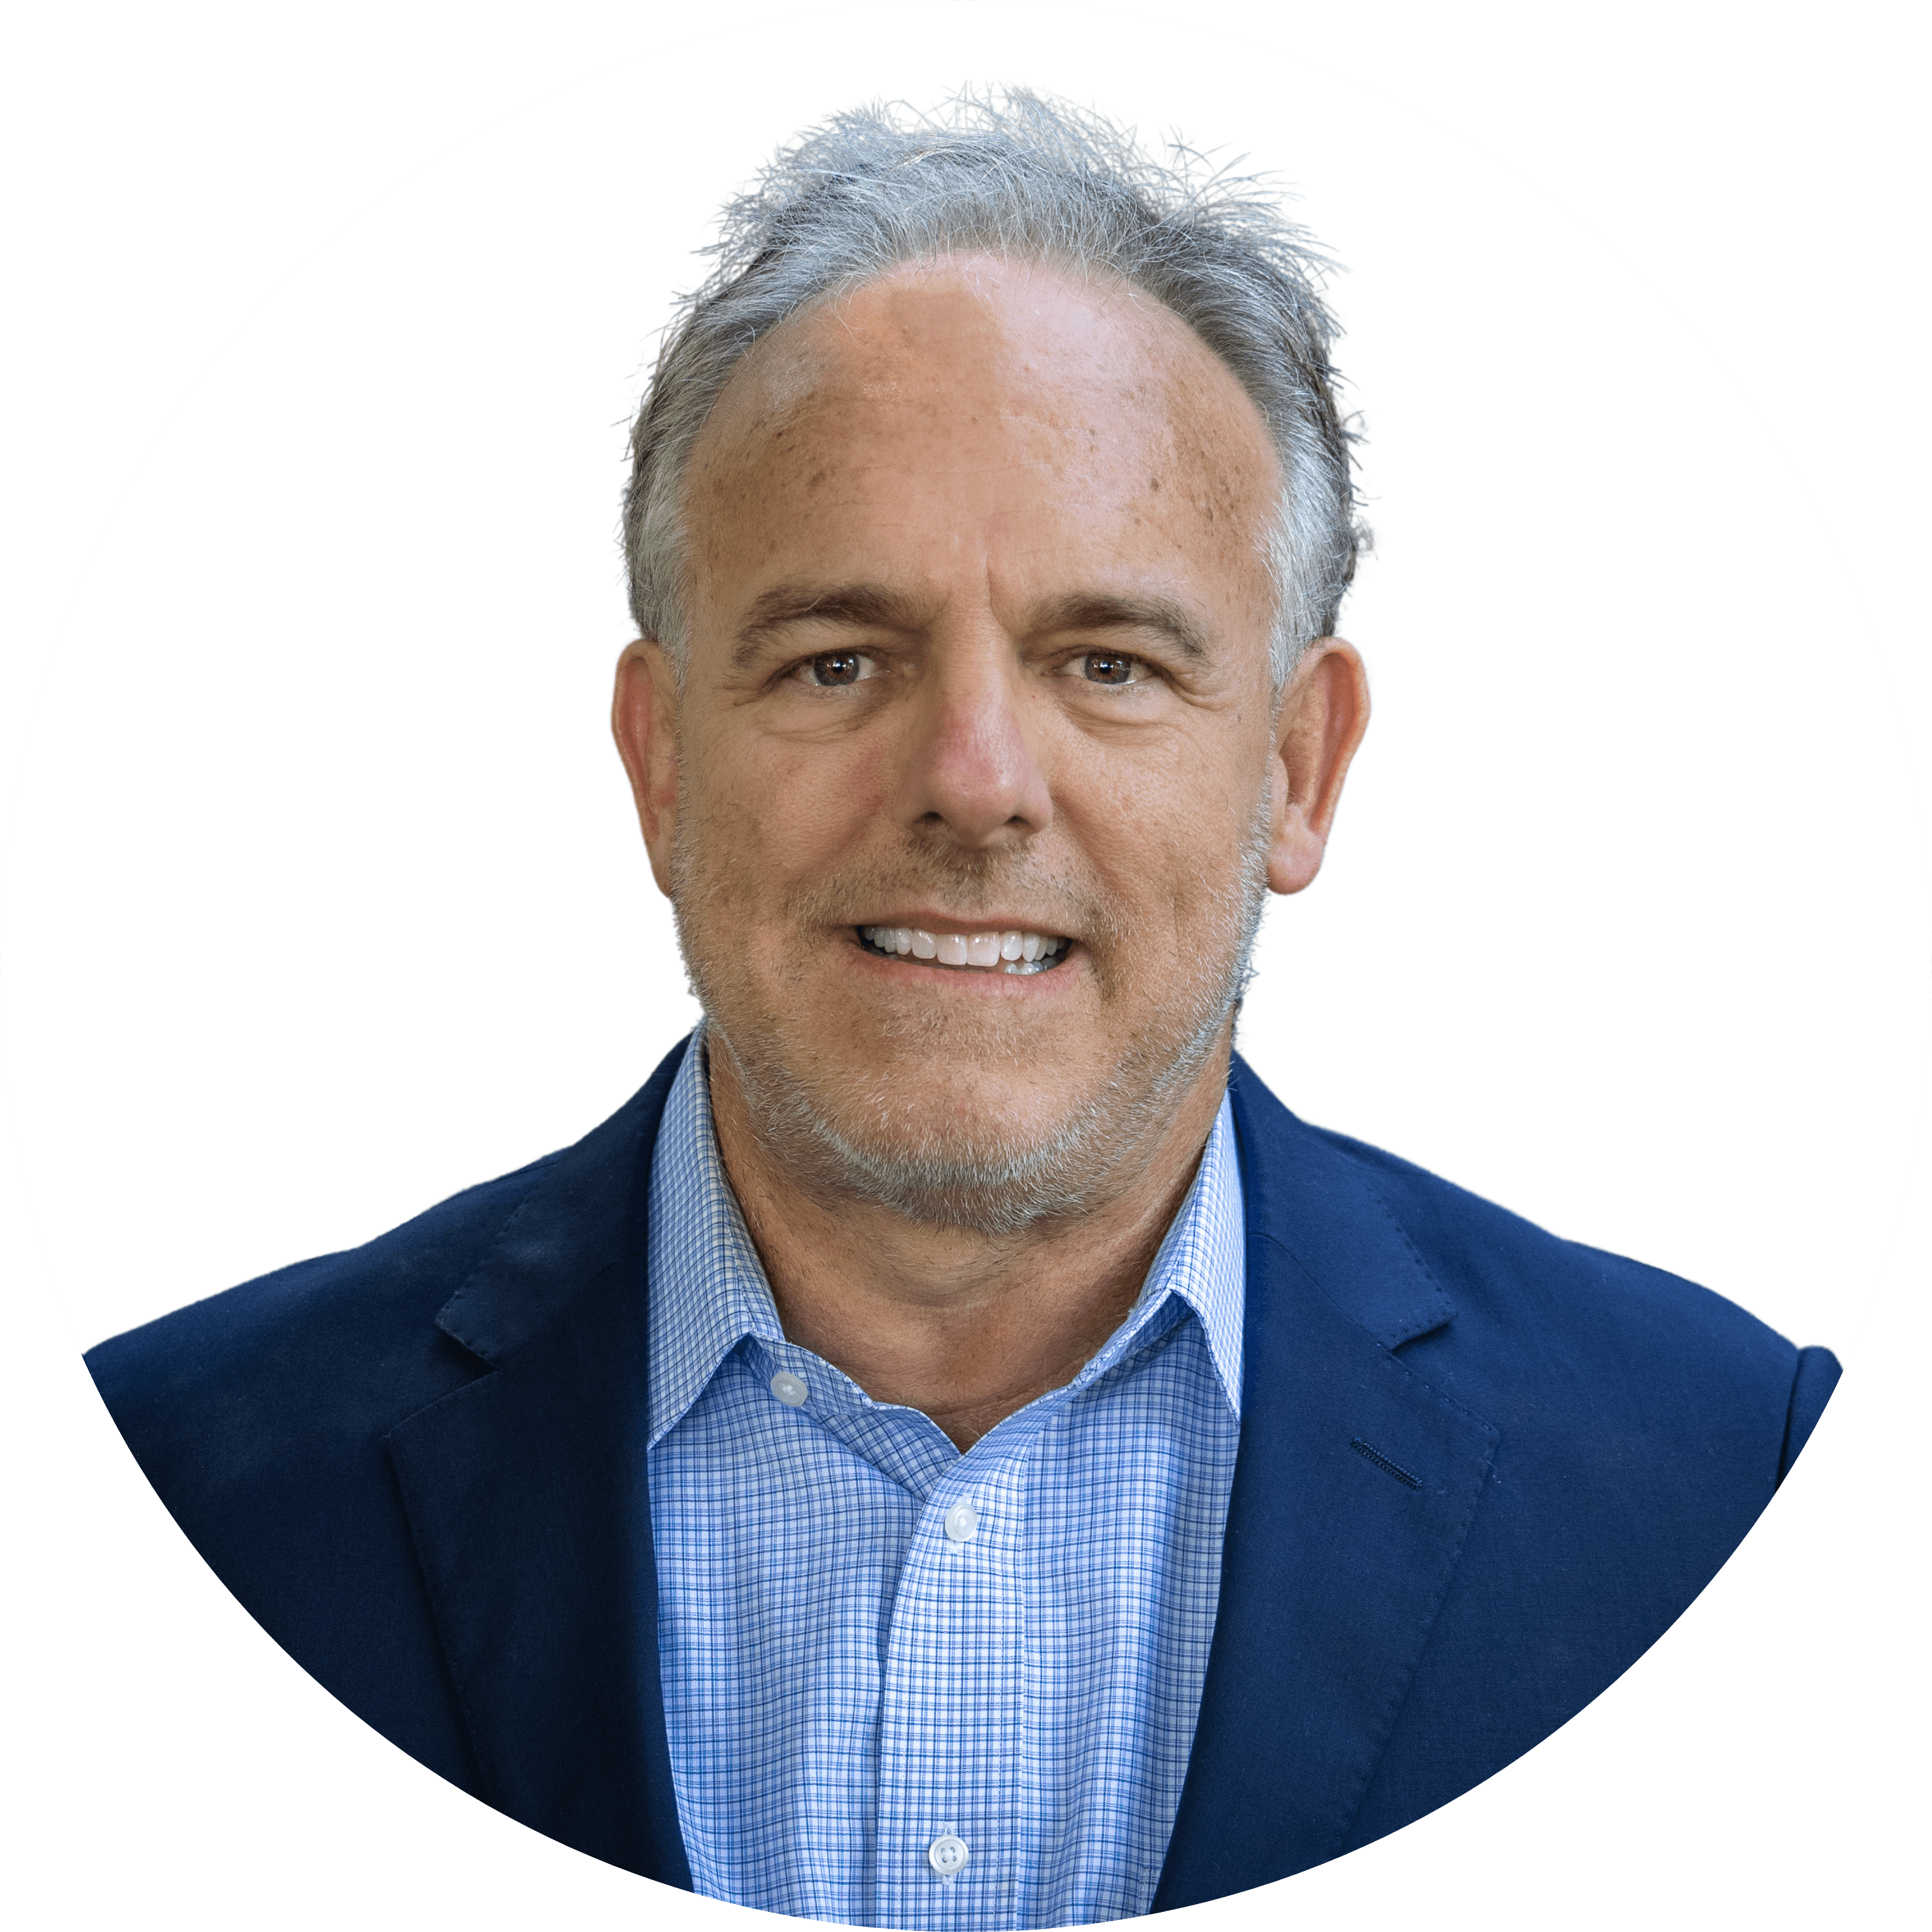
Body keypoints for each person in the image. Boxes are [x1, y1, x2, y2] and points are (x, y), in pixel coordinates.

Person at [86, 93, 1839, 1928]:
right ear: (661, 761)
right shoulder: (158, 1508)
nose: (977, 780)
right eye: (840, 658)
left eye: (1108, 662)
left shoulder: (1739, 1512)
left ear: (1300, 767)